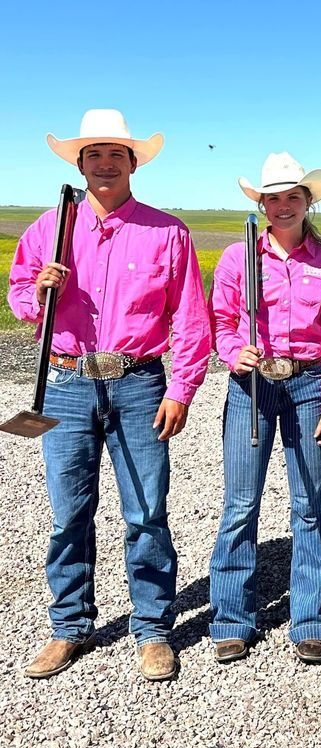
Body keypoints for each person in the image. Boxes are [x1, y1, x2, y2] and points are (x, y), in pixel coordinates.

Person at [8, 109, 211, 681]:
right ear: (79, 163)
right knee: (68, 513)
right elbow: (21, 294)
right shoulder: (48, 228)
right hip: (67, 381)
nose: (104, 163)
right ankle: (69, 626)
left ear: (132, 163)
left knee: (147, 511)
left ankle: (152, 628)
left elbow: (192, 319)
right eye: (93, 154)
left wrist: (182, 388)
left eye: (115, 154)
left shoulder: (166, 231)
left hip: (139, 382)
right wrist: (36, 294)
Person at [208, 152, 321, 665]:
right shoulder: (236, 259)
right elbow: (221, 324)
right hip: (251, 388)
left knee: (309, 503)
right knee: (241, 504)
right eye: (275, 197)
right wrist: (233, 352)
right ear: (262, 204)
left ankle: (311, 619)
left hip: (308, 385)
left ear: (308, 201)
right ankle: (231, 619)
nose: (284, 205)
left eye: (294, 196)